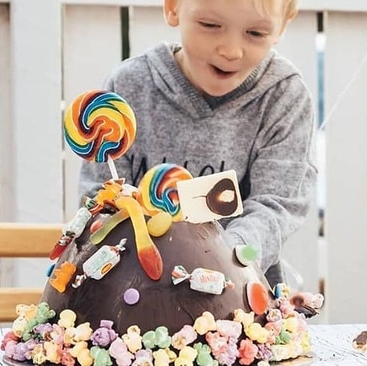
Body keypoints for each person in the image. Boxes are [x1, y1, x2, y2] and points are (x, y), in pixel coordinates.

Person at [78, 0, 317, 288]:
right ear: (173, 8)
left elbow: (276, 206)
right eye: (210, 26)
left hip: (239, 294)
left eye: (255, 33)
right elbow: (102, 197)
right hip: (135, 291)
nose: (231, 51)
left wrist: (230, 257)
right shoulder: (130, 86)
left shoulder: (284, 96)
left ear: (283, 24)